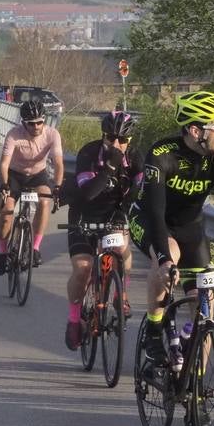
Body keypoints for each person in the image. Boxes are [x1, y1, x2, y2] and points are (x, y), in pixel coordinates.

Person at [128, 91, 214, 366]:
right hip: (151, 220)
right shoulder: (162, 155)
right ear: (195, 130)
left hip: (191, 228)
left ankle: (194, 386)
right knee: (169, 257)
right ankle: (154, 329)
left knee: (204, 310)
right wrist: (163, 259)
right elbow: (155, 211)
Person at [64, 110, 141, 350]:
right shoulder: (88, 153)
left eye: (122, 140)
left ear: (130, 141)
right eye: (110, 138)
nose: (116, 144)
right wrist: (109, 167)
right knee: (83, 268)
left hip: (113, 213)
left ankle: (121, 294)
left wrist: (125, 215)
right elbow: (88, 193)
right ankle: (75, 318)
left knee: (121, 248)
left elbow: (138, 194)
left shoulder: (137, 158)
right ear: (103, 136)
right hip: (83, 212)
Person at [0, 100, 64, 272]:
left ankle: (35, 248)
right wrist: (4, 185)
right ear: (23, 123)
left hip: (37, 175)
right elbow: (4, 164)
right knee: (6, 214)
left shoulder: (52, 134)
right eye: (31, 124)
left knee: (45, 202)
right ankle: (2, 252)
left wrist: (57, 187)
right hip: (14, 176)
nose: (36, 127)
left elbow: (58, 164)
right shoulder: (13, 134)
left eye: (40, 122)